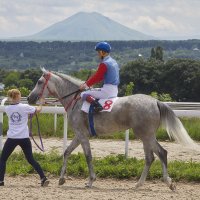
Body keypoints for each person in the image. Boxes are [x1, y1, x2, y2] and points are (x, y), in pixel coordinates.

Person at [0, 89, 49, 187]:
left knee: (3, 159)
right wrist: (41, 103)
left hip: (12, 138)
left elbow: (24, 115)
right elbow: (37, 110)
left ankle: (1, 181)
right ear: (18, 96)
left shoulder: (8, 108)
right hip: (24, 138)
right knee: (30, 159)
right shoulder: (25, 107)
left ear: (10, 97)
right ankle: (43, 177)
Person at [80, 41, 120, 112]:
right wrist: (90, 85)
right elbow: (101, 77)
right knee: (92, 90)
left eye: (98, 52)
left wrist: (85, 85)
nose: (98, 55)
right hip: (115, 90)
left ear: (102, 52)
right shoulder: (113, 61)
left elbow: (97, 77)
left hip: (107, 91)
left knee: (84, 94)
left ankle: (97, 106)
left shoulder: (104, 63)